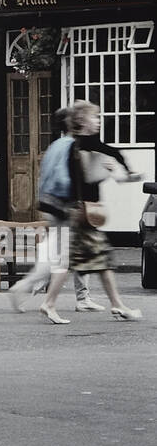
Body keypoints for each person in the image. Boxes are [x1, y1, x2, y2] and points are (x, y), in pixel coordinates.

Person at [38, 100, 142, 323]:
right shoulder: (82, 146)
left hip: (79, 212)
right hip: (82, 213)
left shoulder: (75, 145)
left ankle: (117, 305)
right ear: (83, 121)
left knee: (97, 261)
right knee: (76, 261)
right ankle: (50, 303)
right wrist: (115, 171)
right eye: (95, 117)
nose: (99, 121)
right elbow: (87, 179)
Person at [8, 107, 101, 312]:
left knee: (69, 251)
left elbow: (45, 175)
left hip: (49, 204)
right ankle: (28, 287)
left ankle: (81, 296)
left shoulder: (54, 145)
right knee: (62, 256)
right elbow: (63, 177)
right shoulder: (71, 145)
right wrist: (72, 202)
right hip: (64, 204)